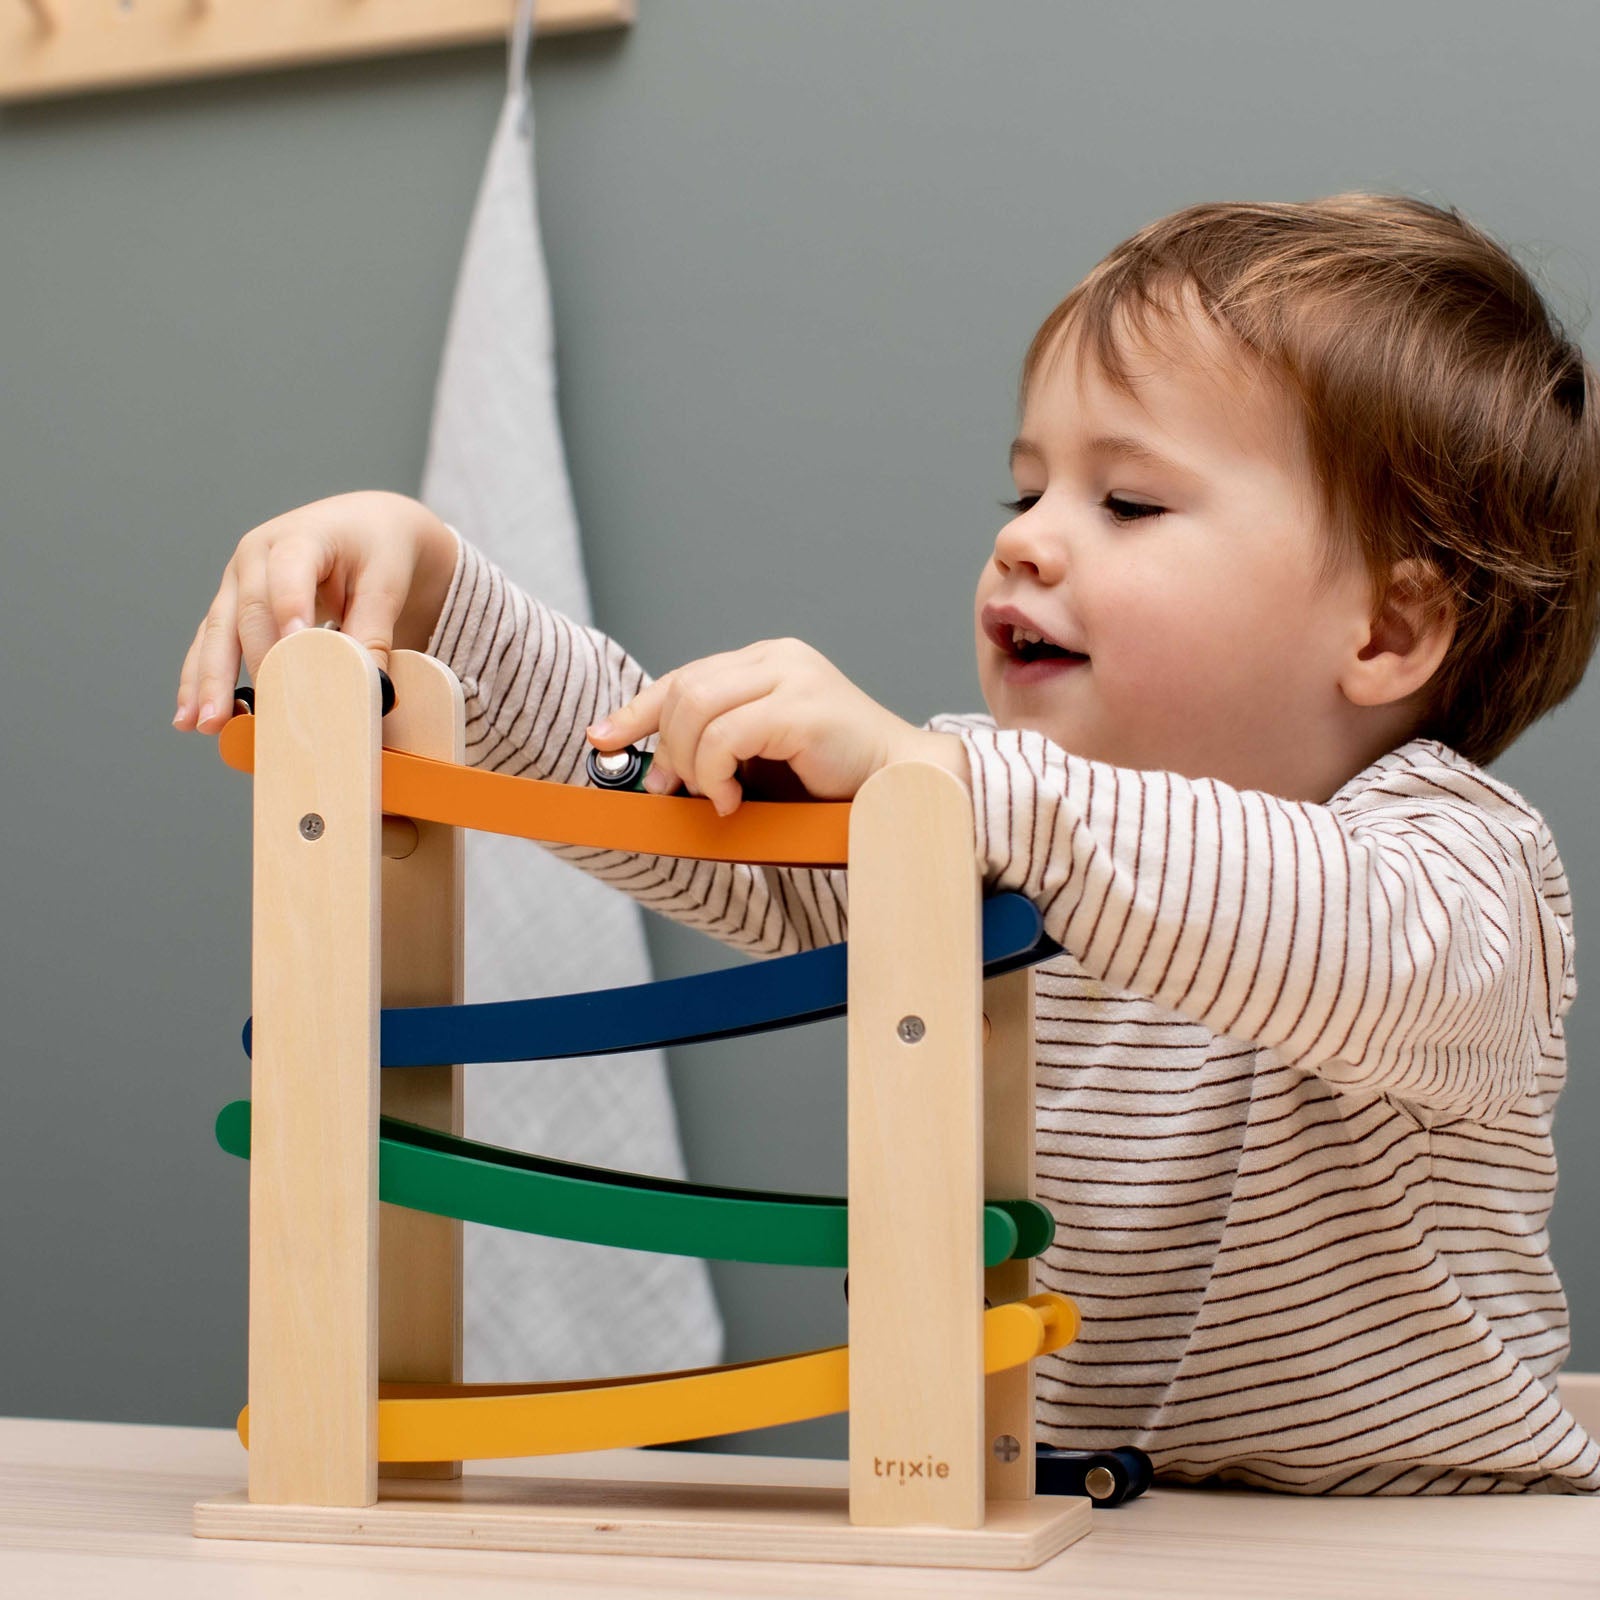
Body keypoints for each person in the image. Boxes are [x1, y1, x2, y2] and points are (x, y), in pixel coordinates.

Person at [174, 194, 1600, 1493]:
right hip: (1072, 1521)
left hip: (1442, 1542)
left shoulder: (1460, 870)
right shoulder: (981, 812)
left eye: (1129, 501)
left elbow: (1338, 940)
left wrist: (952, 786)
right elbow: (680, 819)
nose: (1028, 541)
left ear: (1391, 629)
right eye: (1023, 489)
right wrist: (444, 606)